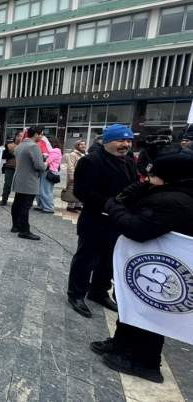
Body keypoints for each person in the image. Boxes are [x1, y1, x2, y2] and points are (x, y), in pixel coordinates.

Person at [90, 146, 193, 383]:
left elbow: (136, 227)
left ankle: (144, 362)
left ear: (170, 178)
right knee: (132, 305)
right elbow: (126, 197)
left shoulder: (176, 201)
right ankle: (121, 344)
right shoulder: (169, 190)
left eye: (152, 176)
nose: (147, 179)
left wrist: (112, 208)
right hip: (143, 263)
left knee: (150, 314)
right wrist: (143, 185)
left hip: (158, 268)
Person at [66, 124, 137, 318]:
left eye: (129, 140)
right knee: (86, 259)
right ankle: (76, 294)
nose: (126, 144)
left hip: (119, 221)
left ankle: (98, 291)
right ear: (107, 142)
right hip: (95, 219)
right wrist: (107, 204)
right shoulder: (90, 161)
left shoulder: (129, 160)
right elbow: (81, 191)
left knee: (109, 261)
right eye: (121, 140)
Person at [10, 126, 47, 241]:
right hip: (29, 181)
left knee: (17, 203)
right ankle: (24, 231)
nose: (42, 136)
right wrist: (46, 163)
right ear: (36, 134)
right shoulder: (33, 146)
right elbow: (39, 166)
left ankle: (15, 226)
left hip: (19, 178)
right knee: (25, 206)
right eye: (41, 134)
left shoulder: (20, 145)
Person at [35, 137, 62, 213]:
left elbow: (48, 160)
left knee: (45, 191)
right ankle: (41, 206)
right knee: (39, 190)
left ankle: (49, 208)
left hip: (49, 172)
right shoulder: (51, 151)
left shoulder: (56, 151)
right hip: (45, 171)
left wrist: (44, 155)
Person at [62, 140, 86, 212]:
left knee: (80, 191)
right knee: (72, 191)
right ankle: (70, 206)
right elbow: (70, 166)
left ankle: (77, 206)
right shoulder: (73, 154)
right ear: (77, 146)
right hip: (75, 175)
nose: (83, 146)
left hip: (82, 176)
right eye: (81, 145)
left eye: (84, 144)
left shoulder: (84, 154)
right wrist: (72, 176)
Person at [0, 132, 22, 206]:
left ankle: (18, 202)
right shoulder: (9, 145)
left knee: (19, 185)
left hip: (21, 169)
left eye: (21, 136)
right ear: (15, 137)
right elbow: (3, 156)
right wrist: (12, 154)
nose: (19, 138)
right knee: (7, 184)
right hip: (10, 167)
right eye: (18, 136)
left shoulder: (25, 146)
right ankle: (4, 199)